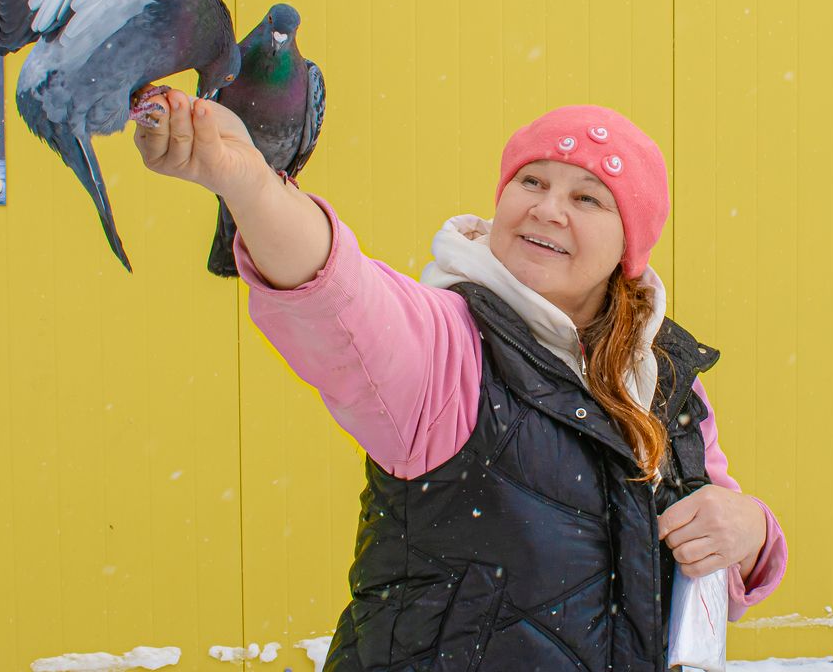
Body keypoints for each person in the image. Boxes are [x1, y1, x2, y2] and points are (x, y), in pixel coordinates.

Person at [135, 93, 787, 671]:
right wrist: (251, 187)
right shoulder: (448, 343)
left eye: (586, 197)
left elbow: (711, 563)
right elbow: (339, 294)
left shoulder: (664, 380)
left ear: (628, 248)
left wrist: (752, 531)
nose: (549, 209)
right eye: (532, 181)